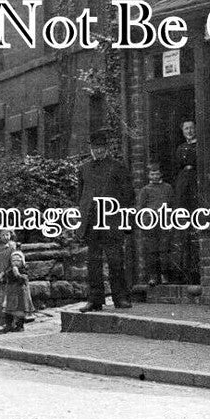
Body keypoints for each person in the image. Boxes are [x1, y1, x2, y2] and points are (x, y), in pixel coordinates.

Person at [77, 127, 134, 312]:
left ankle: (121, 298)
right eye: (95, 147)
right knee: (93, 263)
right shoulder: (83, 168)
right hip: (92, 223)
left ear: (106, 147)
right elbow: (80, 197)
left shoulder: (117, 167)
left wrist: (124, 219)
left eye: (101, 147)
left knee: (115, 261)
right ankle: (95, 300)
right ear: (90, 148)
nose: (98, 150)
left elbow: (128, 195)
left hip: (111, 221)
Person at [171, 121, 199, 284]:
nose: (189, 131)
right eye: (186, 128)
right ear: (183, 131)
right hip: (183, 184)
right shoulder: (180, 148)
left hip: (195, 183)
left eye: (192, 128)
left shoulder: (200, 145)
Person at [136, 163, 172, 286]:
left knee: (164, 250)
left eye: (157, 174)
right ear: (148, 175)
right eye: (152, 174)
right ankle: (153, 277)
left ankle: (164, 276)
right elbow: (140, 208)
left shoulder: (167, 188)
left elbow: (172, 204)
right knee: (152, 250)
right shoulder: (145, 190)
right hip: (150, 223)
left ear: (161, 174)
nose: (155, 176)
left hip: (164, 222)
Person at [0, 250, 34, 332]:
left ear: (22, 261)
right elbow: (5, 279)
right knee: (8, 310)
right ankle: (9, 325)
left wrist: (17, 274)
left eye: (18, 260)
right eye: (13, 260)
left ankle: (20, 326)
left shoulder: (24, 270)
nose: (15, 262)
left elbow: (24, 280)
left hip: (20, 293)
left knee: (19, 310)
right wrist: (1, 277)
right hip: (11, 292)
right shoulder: (9, 270)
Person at [0, 229, 17, 320]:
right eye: (3, 235)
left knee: (9, 299)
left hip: (8, 275)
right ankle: (4, 321)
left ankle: (11, 322)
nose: (5, 237)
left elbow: (14, 263)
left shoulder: (12, 247)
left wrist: (3, 273)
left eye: (7, 235)